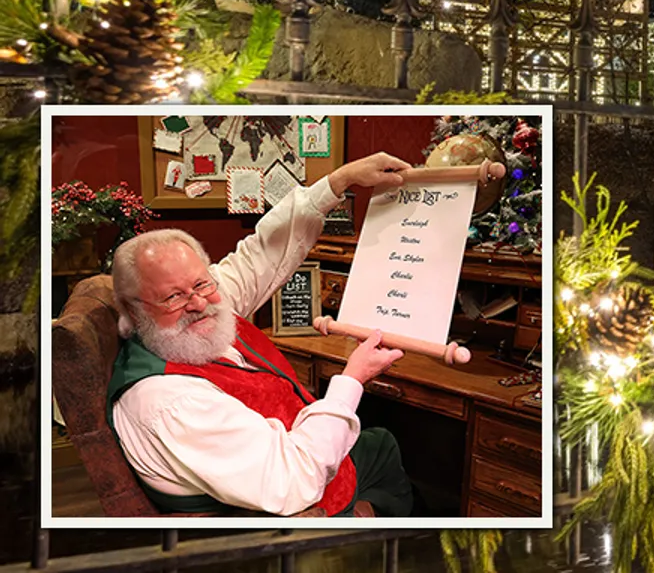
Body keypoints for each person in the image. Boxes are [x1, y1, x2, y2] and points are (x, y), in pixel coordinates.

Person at [106, 151, 504, 516]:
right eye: (174, 296)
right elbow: (291, 482)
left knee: (380, 441)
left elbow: (261, 252)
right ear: (132, 310)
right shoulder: (168, 402)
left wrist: (342, 180)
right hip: (292, 494)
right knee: (386, 455)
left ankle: (383, 509)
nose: (197, 302)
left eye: (202, 283)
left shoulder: (195, 313)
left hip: (298, 443)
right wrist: (351, 380)